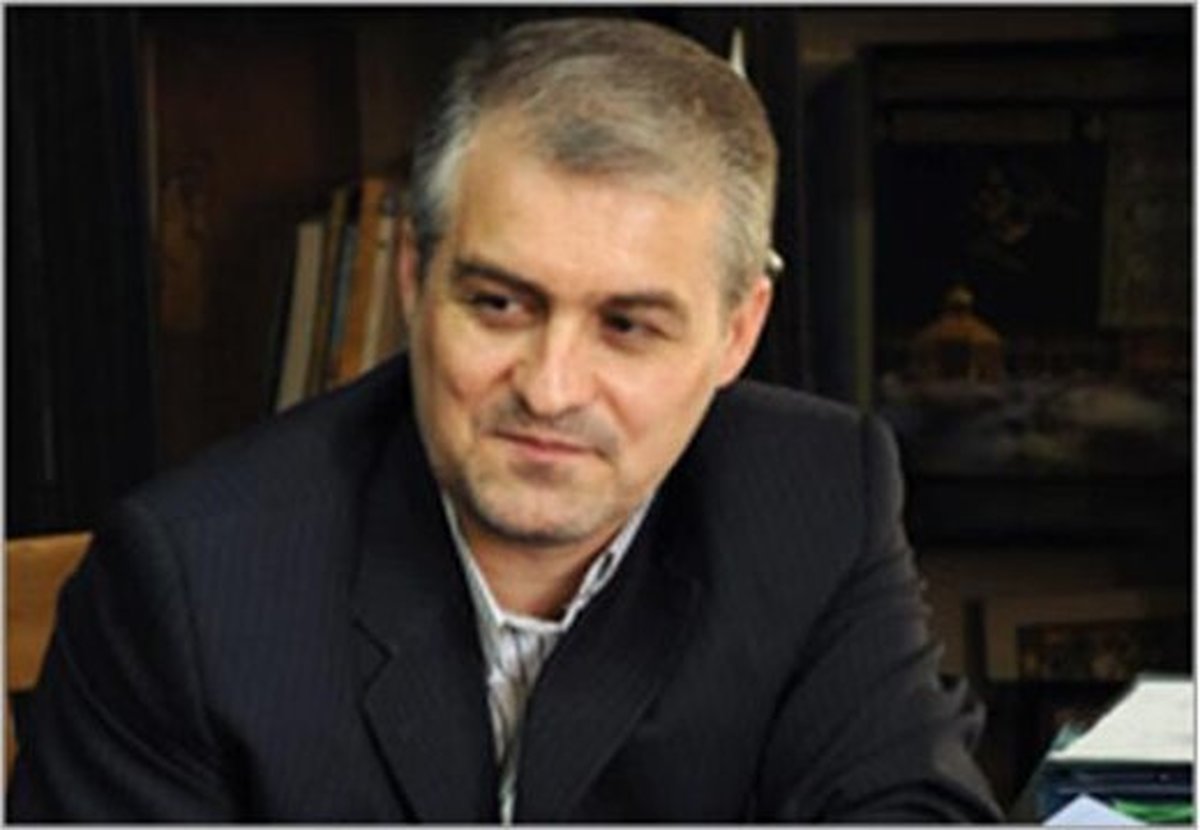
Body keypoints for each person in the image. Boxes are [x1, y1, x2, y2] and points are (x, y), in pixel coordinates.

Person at [8, 17, 1001, 822]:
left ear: (737, 333)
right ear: (414, 278)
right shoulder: (193, 580)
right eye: (498, 304)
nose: (551, 387)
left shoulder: (818, 493)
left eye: (627, 326)